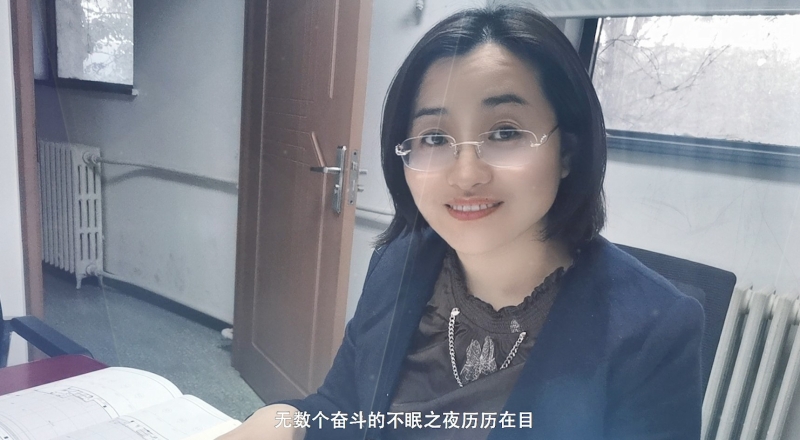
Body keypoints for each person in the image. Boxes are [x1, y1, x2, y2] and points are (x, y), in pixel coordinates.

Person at [220, 5, 703, 440]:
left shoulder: (653, 331)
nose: (466, 174)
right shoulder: (397, 264)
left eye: (505, 132)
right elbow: (343, 411)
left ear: (568, 152)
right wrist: (281, 420)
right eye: (434, 138)